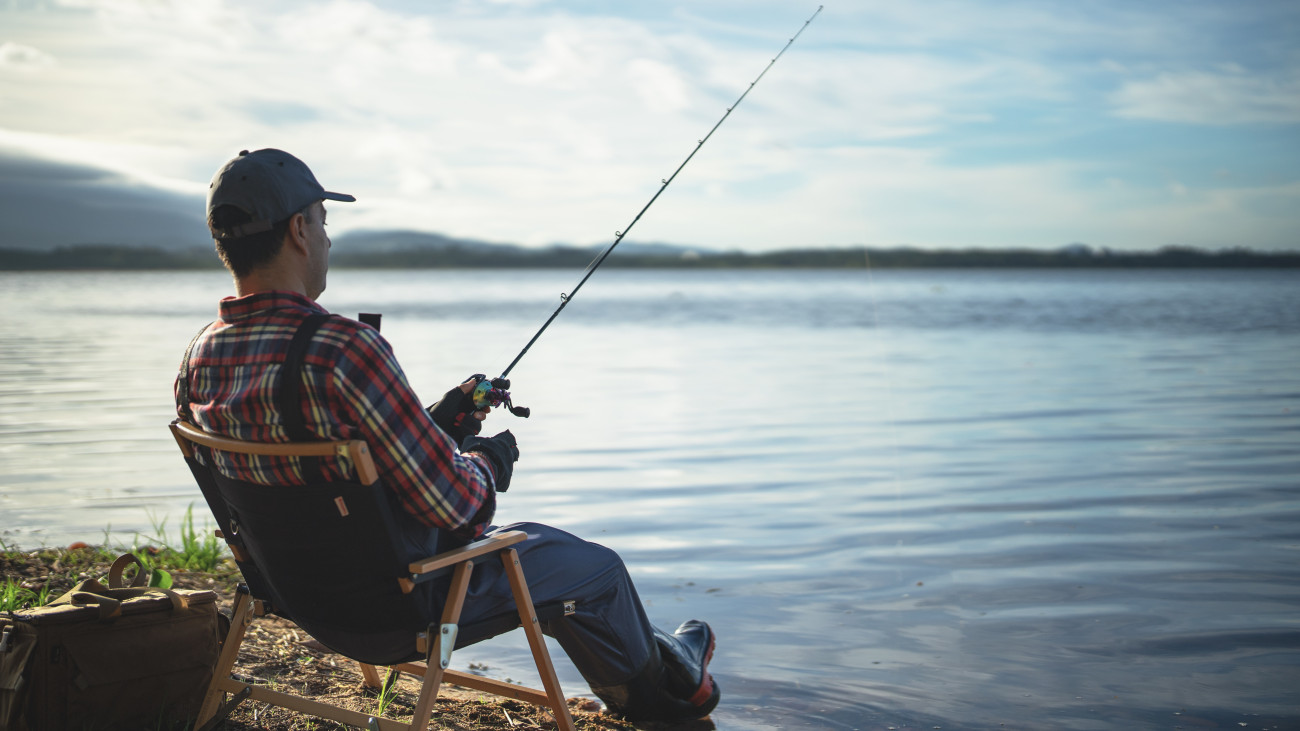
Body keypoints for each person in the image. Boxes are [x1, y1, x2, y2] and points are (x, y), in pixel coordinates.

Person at [175, 148, 719, 722]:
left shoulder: (198, 359)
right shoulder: (343, 348)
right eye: (323, 223)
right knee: (594, 569)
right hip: (397, 611)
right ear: (299, 231)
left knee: (563, 568)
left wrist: (438, 423)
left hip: (295, 599)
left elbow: (327, 463)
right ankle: (666, 703)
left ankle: (673, 663)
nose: (328, 241)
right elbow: (456, 502)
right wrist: (487, 459)